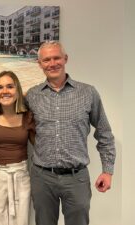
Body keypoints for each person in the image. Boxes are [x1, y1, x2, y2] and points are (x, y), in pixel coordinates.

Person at [26, 41, 116, 225]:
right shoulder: (32, 96)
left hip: (77, 178)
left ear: (65, 59)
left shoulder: (88, 93)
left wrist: (107, 171)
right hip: (42, 178)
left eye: (56, 58)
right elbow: (11, 116)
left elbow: (104, 133)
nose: (52, 63)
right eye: (46, 60)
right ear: (40, 64)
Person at [0, 71, 35, 225]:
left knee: (21, 222)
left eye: (10, 86)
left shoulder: (28, 116)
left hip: (21, 176)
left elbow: (41, 146)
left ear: (17, 90)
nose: (5, 91)